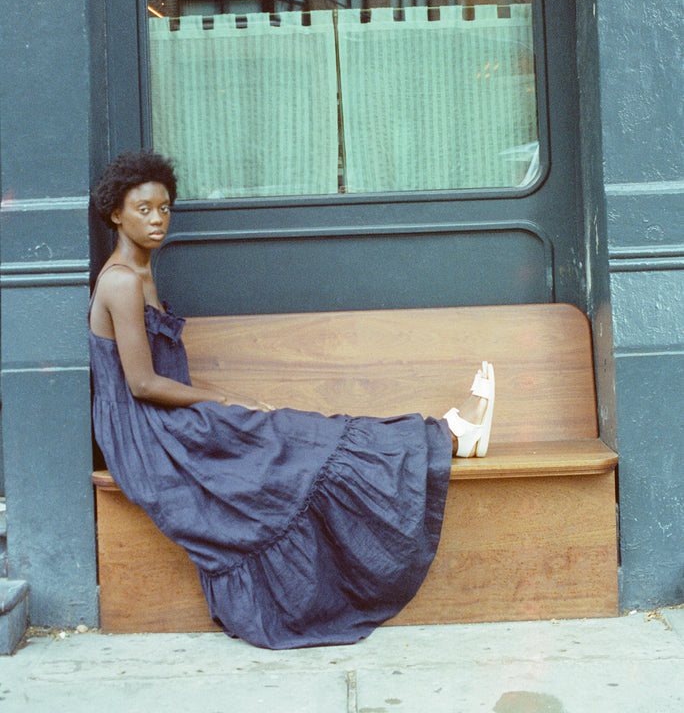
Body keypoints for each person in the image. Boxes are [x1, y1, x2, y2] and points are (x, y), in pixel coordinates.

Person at [89, 150, 495, 650]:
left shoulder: (142, 272)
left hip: (169, 418)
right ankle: (448, 435)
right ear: (115, 214)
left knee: (287, 435)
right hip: (147, 432)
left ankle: (445, 434)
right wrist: (221, 403)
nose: (157, 220)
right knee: (281, 433)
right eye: (143, 210)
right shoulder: (122, 280)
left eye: (165, 208)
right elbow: (142, 385)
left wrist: (222, 409)